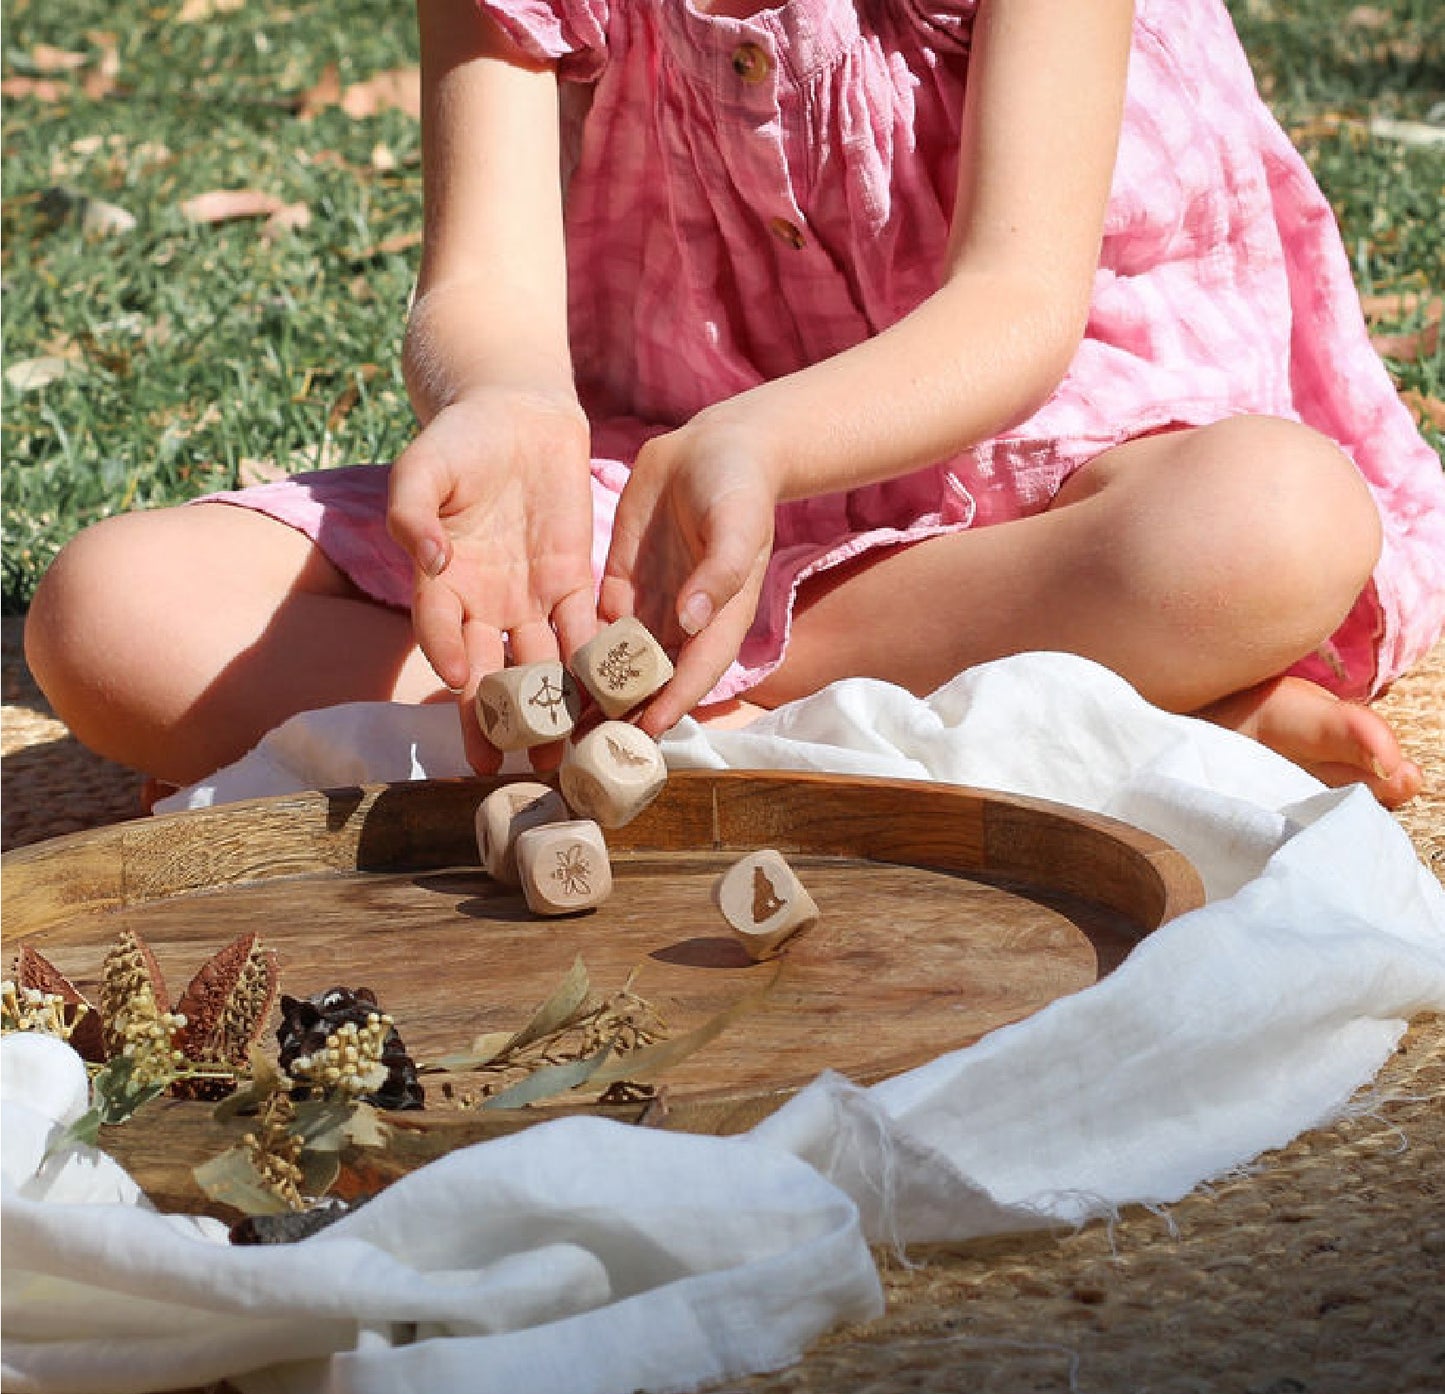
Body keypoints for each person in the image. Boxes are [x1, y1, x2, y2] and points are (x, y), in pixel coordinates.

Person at [24, 0, 1445, 807]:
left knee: (1268, 523)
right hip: (668, 479)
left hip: (1037, 450)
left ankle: (624, 732)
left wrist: (759, 443)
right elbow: (484, 289)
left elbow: (1014, 309)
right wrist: (506, 401)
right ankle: (1060, 714)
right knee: (114, 619)